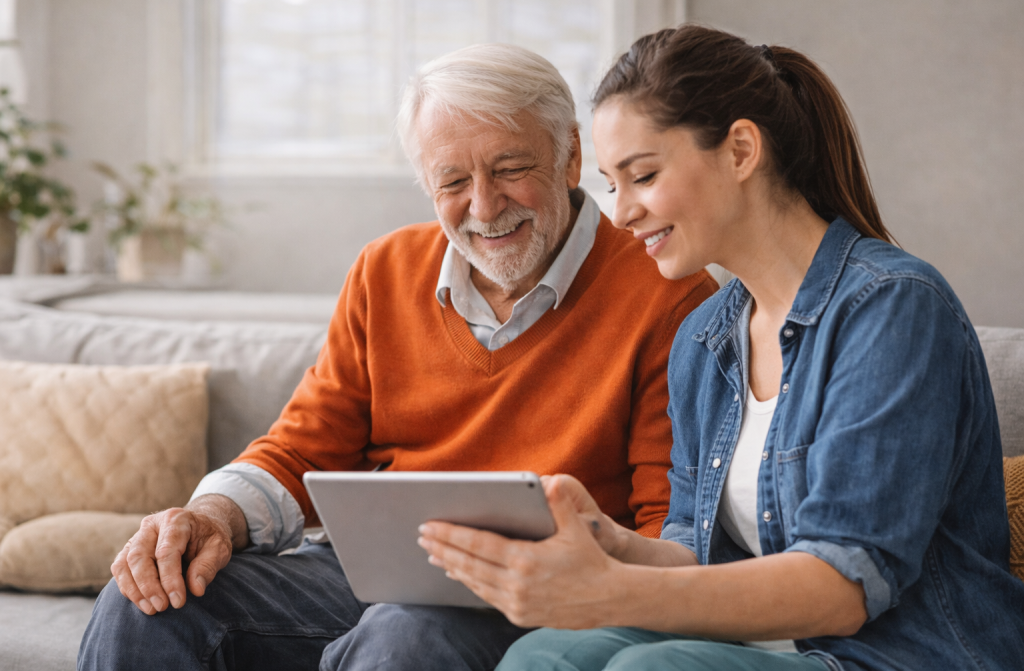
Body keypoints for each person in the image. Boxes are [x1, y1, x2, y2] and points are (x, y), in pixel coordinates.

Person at [76, 43, 717, 671]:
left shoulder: (669, 291)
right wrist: (208, 516)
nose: (485, 206)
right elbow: (304, 447)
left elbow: (670, 526)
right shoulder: (384, 270)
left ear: (571, 155)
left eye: (511, 168)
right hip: (371, 577)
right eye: (453, 182)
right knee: (148, 604)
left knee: (406, 630)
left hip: (536, 597)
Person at [418, 25, 1024, 670]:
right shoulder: (704, 337)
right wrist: (609, 543)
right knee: (545, 654)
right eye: (611, 184)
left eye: (642, 175)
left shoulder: (894, 306)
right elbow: (697, 549)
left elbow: (845, 584)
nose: (619, 213)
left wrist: (607, 591)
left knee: (647, 669)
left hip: (901, 655)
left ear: (739, 151)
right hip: (765, 649)